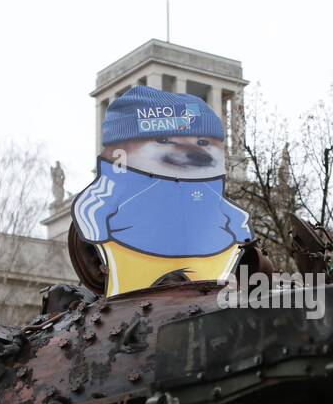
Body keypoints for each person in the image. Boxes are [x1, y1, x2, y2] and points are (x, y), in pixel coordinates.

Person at [72, 85, 253, 295]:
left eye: (202, 142)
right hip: (134, 262)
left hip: (208, 267)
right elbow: (91, 211)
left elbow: (236, 220)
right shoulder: (115, 186)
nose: (193, 152)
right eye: (164, 140)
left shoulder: (208, 192)